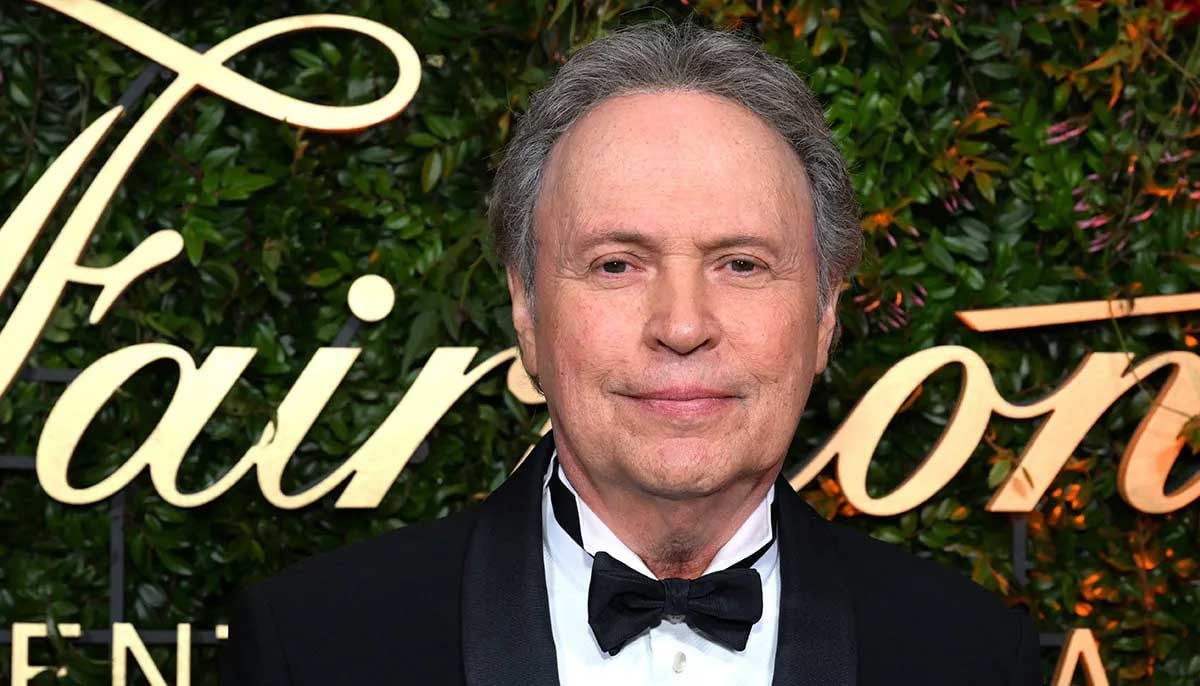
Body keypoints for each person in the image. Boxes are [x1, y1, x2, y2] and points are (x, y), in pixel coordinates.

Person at [220, 20, 1042, 685]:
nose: (681, 325)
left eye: (741, 264)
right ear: (527, 308)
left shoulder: (970, 658)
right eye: (617, 264)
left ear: (825, 312)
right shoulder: (315, 649)